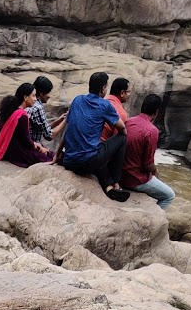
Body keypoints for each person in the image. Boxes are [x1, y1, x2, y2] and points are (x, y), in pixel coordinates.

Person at [61, 71, 128, 199]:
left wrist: (58, 154)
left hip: (69, 161)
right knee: (121, 139)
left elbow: (68, 129)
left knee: (95, 149)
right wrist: (120, 137)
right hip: (87, 163)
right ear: (103, 89)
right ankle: (115, 181)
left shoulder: (77, 100)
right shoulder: (105, 105)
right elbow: (122, 128)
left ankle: (108, 188)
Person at [122, 93, 175, 208]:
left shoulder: (128, 122)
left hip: (120, 174)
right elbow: (148, 164)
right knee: (169, 196)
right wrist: (155, 171)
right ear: (156, 113)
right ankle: (157, 221)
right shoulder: (152, 131)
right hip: (134, 179)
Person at [0, 83, 52, 167]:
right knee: (48, 157)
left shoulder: (11, 110)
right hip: (13, 151)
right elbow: (26, 141)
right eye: (33, 96)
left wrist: (36, 145)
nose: (35, 99)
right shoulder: (22, 116)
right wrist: (37, 147)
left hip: (5, 147)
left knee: (46, 152)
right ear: (25, 98)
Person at [27, 75, 64, 150]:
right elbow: (49, 136)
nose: (49, 96)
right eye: (48, 93)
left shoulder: (32, 103)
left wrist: (59, 120)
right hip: (31, 145)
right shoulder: (38, 108)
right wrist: (66, 121)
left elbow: (43, 128)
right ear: (41, 93)